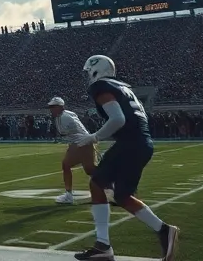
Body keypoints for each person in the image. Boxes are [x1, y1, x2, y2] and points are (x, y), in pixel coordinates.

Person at [71, 54, 178, 261]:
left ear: (96, 70)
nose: (87, 77)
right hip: (141, 143)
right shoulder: (123, 87)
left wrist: (94, 136)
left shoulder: (101, 86)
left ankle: (103, 245)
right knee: (121, 196)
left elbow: (118, 119)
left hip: (130, 143)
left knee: (97, 183)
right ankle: (164, 230)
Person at [48, 97, 95, 205]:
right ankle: (111, 187)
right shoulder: (64, 115)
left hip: (80, 142)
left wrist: (74, 146)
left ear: (60, 107)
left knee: (66, 164)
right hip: (84, 142)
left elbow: (71, 131)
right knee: (90, 170)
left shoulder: (65, 117)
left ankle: (68, 195)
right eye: (50, 107)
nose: (51, 109)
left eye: (53, 106)